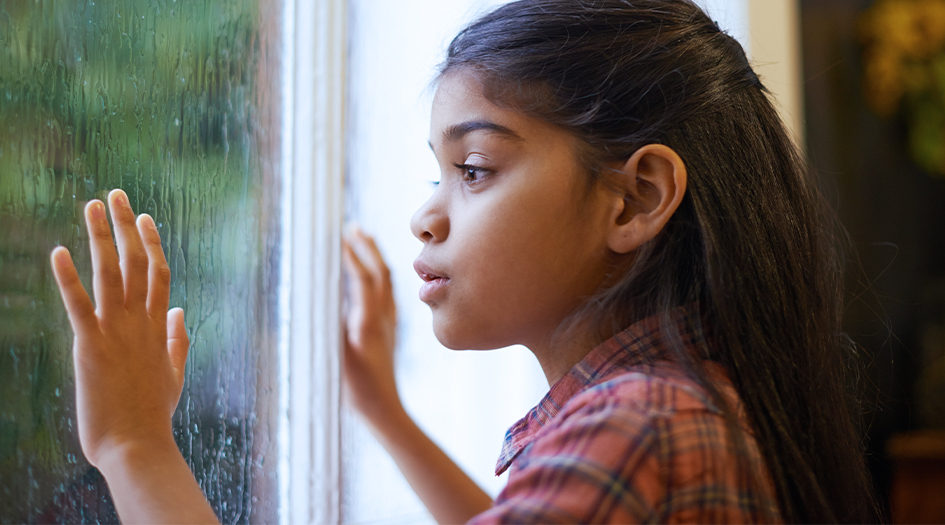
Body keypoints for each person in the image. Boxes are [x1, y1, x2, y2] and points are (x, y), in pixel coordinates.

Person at [50, 0, 881, 522]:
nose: (424, 214)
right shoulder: (686, 403)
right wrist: (386, 412)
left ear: (633, 199)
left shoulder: (640, 430)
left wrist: (133, 445)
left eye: (474, 169)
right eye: (435, 173)